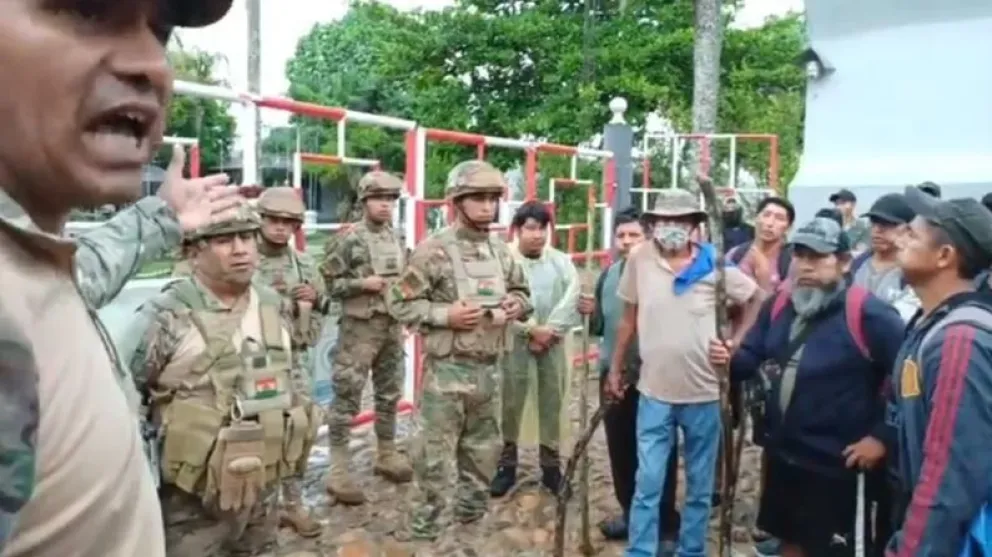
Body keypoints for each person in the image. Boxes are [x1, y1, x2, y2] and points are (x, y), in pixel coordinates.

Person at [0, 2, 243, 556]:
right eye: (88, 9)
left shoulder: (31, 262)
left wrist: (164, 216)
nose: (152, 63)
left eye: (162, 30)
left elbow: (83, 269)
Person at [129, 205, 320, 555]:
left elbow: (289, 374)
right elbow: (125, 400)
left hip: (262, 485)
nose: (240, 249)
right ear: (193, 252)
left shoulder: (272, 303)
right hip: (192, 501)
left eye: (246, 237)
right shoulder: (167, 316)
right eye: (223, 240)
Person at [710, 216, 905, 557]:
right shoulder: (779, 305)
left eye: (817, 256)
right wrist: (727, 357)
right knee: (789, 541)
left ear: (844, 262)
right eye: (800, 255)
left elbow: (908, 384)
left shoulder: (870, 315)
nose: (806, 265)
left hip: (838, 464)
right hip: (783, 455)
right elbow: (750, 357)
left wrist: (881, 437)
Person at [606, 189, 763, 557]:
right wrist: (615, 367)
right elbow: (628, 319)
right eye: (665, 221)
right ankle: (641, 550)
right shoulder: (641, 259)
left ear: (694, 226)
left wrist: (734, 343)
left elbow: (755, 298)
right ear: (653, 224)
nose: (672, 227)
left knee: (699, 485)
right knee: (648, 480)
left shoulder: (713, 265)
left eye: (680, 221)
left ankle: (691, 550)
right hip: (653, 392)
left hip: (703, 393)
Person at [387, 160, 532, 542]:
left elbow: (522, 292)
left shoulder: (501, 252)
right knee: (432, 462)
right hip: (447, 376)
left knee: (483, 457)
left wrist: (516, 304)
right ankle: (425, 534)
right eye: (478, 198)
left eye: (492, 198)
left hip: (490, 373)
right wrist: (444, 315)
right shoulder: (433, 252)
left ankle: (471, 527)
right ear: (456, 202)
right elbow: (398, 302)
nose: (487, 206)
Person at [885, 187, 992, 557]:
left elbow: (949, 478)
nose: (899, 236)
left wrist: (910, 549)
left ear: (945, 256)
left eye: (912, 233)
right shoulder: (930, 323)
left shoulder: (960, 339)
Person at [577, 207, 681, 545]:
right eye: (621, 235)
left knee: (658, 453)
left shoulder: (664, 275)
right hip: (613, 375)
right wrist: (589, 312)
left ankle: (665, 525)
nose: (626, 241)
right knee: (620, 450)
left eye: (633, 235)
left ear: (648, 238)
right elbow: (601, 327)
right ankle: (631, 514)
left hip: (653, 377)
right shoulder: (609, 275)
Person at [321, 171, 413, 503]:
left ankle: (386, 453)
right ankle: (338, 470)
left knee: (389, 393)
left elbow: (405, 278)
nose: (385, 205)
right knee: (346, 396)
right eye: (378, 199)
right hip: (359, 330)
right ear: (364, 202)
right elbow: (329, 285)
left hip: (391, 326)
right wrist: (362, 284)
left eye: (390, 199)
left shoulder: (396, 237)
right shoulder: (349, 239)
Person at [491, 201, 581, 496]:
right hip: (513, 343)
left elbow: (572, 297)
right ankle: (506, 465)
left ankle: (551, 467)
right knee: (510, 401)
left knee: (552, 399)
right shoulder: (503, 260)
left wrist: (550, 331)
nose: (537, 235)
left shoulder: (561, 262)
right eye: (530, 228)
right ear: (517, 230)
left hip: (553, 344)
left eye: (542, 228)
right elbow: (499, 301)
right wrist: (531, 330)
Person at [252, 186, 327, 535]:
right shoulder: (243, 260)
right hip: (253, 360)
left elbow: (325, 307)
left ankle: (293, 503)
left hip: (294, 360)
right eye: (274, 220)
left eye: (289, 222)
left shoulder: (305, 264)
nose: (281, 228)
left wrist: (313, 300)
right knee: (256, 433)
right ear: (261, 220)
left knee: (299, 430)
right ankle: (259, 508)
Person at [728, 196, 796, 293]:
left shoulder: (791, 261)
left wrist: (764, 278)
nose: (770, 223)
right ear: (756, 218)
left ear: (788, 228)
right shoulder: (735, 254)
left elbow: (785, 301)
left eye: (779, 218)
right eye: (766, 215)